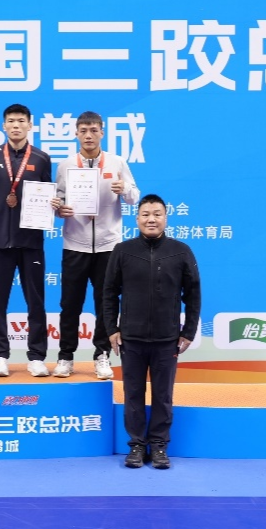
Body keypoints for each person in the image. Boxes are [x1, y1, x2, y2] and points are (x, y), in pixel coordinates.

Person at [103, 194, 200, 470]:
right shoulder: (123, 251)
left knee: (163, 396)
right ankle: (136, 446)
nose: (151, 219)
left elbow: (193, 295)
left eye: (157, 214)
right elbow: (109, 292)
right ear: (137, 219)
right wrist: (112, 329)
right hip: (131, 339)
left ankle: (158, 446)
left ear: (165, 218)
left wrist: (188, 332)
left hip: (167, 339)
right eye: (145, 214)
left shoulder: (181, 251)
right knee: (133, 394)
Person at [51, 111, 139, 379]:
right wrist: (59, 209)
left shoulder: (117, 162)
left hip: (108, 246)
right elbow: (58, 200)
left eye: (93, 130)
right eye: (83, 131)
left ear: (102, 132)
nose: (88, 135)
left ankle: (102, 354)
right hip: (75, 244)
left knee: (106, 303)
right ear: (76, 134)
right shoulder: (66, 165)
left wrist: (124, 189)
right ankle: (66, 356)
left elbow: (134, 197)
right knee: (70, 304)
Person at [0, 104, 53, 377]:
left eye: (21, 121)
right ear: (4, 125)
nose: (16, 125)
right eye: (11, 121)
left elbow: (48, 194)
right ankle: (0, 355)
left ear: (30, 125)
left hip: (31, 240)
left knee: (36, 301)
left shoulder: (42, 158)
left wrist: (53, 203)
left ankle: (36, 356)